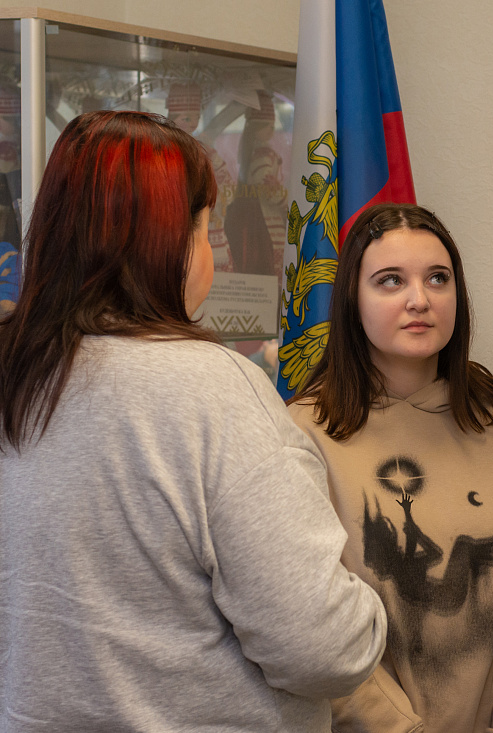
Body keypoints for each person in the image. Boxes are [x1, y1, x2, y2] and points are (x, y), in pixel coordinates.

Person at [0, 111, 387, 731]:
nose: (213, 253)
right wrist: (368, 609)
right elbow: (322, 648)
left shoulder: (15, 370)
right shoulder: (213, 389)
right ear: (168, 245)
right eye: (207, 229)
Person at [287, 203, 493, 733]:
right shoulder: (303, 436)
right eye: (390, 280)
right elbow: (309, 631)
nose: (419, 299)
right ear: (352, 298)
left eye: (437, 278)